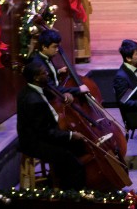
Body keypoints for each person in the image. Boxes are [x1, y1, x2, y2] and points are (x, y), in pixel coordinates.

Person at [17, 61, 87, 189]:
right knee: (74, 163)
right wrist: (70, 135)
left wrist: (65, 95)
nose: (47, 74)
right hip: (35, 143)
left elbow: (52, 94)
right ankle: (71, 193)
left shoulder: (31, 89)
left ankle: (58, 179)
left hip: (39, 136)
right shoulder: (34, 101)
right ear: (36, 78)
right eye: (44, 73)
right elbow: (46, 133)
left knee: (78, 147)